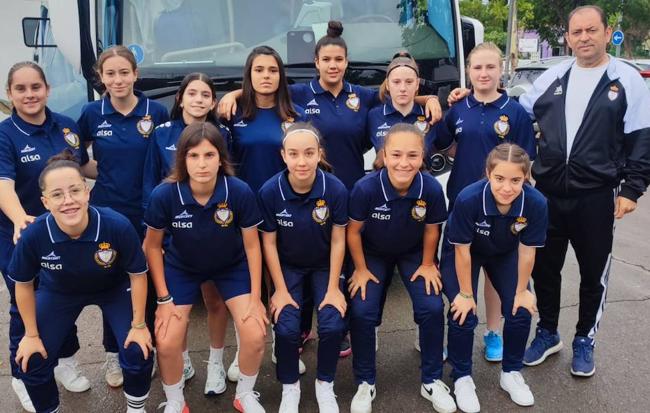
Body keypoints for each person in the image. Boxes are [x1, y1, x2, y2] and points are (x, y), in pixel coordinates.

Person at [516, 5, 650, 377]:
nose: (584, 38)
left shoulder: (626, 79)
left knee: (593, 274)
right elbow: (516, 116)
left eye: (592, 30)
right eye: (577, 32)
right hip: (548, 194)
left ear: (607, 33)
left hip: (596, 195)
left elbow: (642, 138)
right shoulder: (553, 77)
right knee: (544, 269)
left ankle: (584, 339)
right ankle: (547, 333)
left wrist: (633, 189)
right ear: (568, 37)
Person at [9, 151, 153, 413]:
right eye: (57, 195)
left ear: (87, 191)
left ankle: (136, 408)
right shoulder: (35, 234)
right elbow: (23, 284)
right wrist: (30, 334)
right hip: (60, 292)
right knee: (30, 358)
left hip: (113, 288)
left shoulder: (116, 225)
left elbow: (138, 275)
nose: (68, 201)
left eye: (75, 190)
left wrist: (140, 324)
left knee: (137, 348)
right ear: (45, 201)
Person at [143, 122, 268, 413]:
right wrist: (163, 299)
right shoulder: (165, 195)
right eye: (193, 156)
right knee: (167, 340)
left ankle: (245, 394)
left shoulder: (238, 191)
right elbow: (151, 246)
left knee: (255, 334)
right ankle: (175, 400)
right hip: (182, 268)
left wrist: (255, 297)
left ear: (221, 158)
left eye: (209, 155)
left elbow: (252, 245)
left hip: (230, 266)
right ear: (182, 159)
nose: (202, 164)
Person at [0, 61, 94, 412]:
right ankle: (21, 374)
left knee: (63, 297)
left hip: (66, 235)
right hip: (19, 237)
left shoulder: (66, 127)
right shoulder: (5, 134)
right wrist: (20, 219)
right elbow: (3, 185)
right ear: (10, 94)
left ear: (47, 89)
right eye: (20, 89)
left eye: (35, 87)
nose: (29, 95)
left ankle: (65, 362)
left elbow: (85, 168)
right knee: (24, 308)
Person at [435, 42, 536, 363]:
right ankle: (458, 335)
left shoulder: (515, 112)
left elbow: (526, 164)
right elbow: (442, 143)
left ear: (500, 69)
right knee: (460, 274)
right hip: (462, 205)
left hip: (502, 211)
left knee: (493, 273)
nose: (483, 73)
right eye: (477, 67)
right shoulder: (459, 108)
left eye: (490, 67)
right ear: (469, 70)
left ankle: (493, 333)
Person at [77, 45, 169, 387]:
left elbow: (165, 158)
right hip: (107, 214)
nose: (118, 80)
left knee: (146, 280)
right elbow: (75, 156)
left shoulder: (156, 112)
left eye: (124, 72)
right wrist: (98, 173)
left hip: (149, 212)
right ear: (101, 78)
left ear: (136, 74)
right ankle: (114, 353)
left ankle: (151, 347)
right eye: (110, 73)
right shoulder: (91, 113)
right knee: (113, 284)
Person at [346, 124, 452, 413]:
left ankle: (431, 379)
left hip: (414, 253)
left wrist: (429, 263)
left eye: (412, 155)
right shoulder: (365, 188)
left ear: (423, 157)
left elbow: (433, 229)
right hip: (373, 254)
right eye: (396, 154)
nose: (403, 162)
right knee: (362, 309)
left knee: (431, 306)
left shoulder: (429, 187)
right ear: (383, 155)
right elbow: (353, 232)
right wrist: (360, 268)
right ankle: (365, 382)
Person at [142, 72, 232, 395]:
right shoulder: (161, 134)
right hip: (174, 235)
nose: (198, 99)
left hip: (213, 231)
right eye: (192, 93)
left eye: (205, 94)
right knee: (175, 308)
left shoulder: (222, 134)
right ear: (180, 98)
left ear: (212, 101)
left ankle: (216, 364)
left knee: (214, 299)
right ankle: (182, 362)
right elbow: (151, 185)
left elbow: (229, 184)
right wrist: (158, 237)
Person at [440, 143, 547, 412]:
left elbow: (527, 251)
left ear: (526, 178)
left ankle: (511, 373)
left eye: (516, 180)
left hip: (504, 252)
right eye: (500, 178)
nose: (507, 187)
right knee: (463, 312)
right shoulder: (468, 198)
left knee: (520, 309)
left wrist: (522, 290)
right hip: (465, 252)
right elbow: (462, 251)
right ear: (489, 173)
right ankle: (462, 377)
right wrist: (465, 294)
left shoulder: (536, 203)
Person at [258, 123, 347, 413]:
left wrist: (334, 288)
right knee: (285, 327)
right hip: (289, 267)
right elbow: (268, 244)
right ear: (283, 155)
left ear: (319, 154)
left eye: (309, 153)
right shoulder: (270, 191)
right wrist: (280, 290)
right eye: (294, 154)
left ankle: (325, 385)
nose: (301, 161)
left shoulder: (334, 188)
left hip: (324, 266)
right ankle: (290, 387)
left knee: (333, 322)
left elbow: (337, 239)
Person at [224, 45, 305, 194]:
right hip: (244, 203)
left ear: (280, 76)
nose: (266, 75)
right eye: (259, 70)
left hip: (284, 204)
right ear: (249, 74)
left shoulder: (298, 116)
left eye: (273, 70)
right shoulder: (232, 112)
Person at [367, 52, 437, 169]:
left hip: (421, 184)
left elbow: (452, 149)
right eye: (396, 82)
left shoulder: (431, 114)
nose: (403, 88)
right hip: (385, 184)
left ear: (417, 84)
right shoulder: (373, 116)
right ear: (388, 84)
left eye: (409, 82)